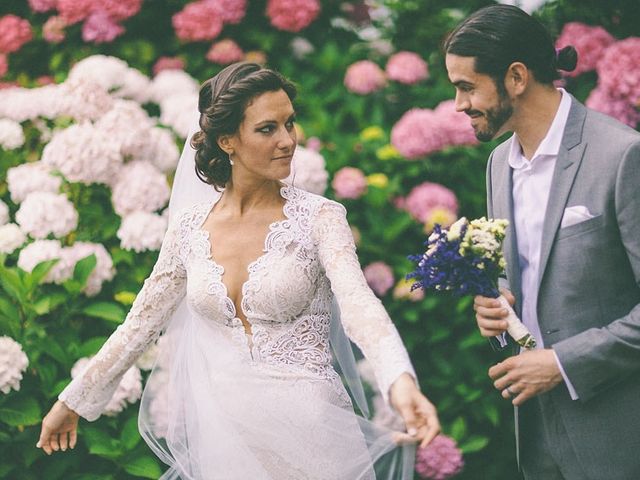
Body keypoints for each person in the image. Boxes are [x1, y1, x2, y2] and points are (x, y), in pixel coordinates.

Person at [36, 62, 440, 479]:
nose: (287, 141)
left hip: (312, 439)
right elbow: (139, 325)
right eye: (268, 129)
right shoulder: (190, 229)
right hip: (226, 445)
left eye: (290, 123)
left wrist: (399, 380)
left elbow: (359, 306)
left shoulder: (319, 218)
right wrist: (72, 402)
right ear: (227, 140)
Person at [444, 4, 640, 479]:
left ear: (515, 77)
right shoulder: (498, 165)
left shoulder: (623, 155)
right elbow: (528, 286)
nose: (458, 104)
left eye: (467, 87)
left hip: (618, 435)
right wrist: (497, 312)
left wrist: (564, 363)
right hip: (536, 436)